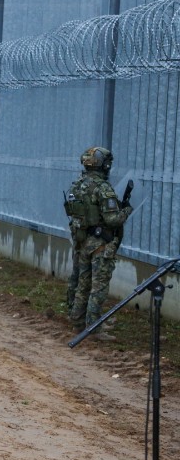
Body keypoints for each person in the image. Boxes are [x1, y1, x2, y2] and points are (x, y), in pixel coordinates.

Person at [65, 146, 132, 341]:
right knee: (98, 286)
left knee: (82, 283)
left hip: (82, 241)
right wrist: (126, 210)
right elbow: (112, 220)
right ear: (105, 165)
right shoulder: (102, 188)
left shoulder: (77, 184)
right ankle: (94, 327)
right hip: (99, 244)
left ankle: (78, 320)